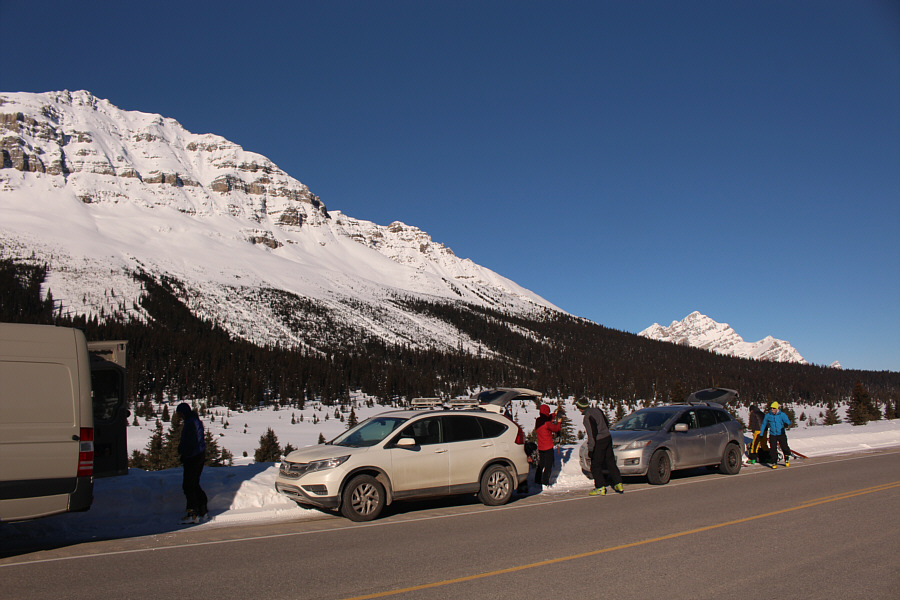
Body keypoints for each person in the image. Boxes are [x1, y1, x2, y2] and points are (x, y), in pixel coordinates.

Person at [575, 398, 623, 496]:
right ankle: (618, 483)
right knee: (610, 461)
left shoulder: (587, 418)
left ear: (581, 408)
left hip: (599, 441)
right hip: (608, 437)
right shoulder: (597, 410)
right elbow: (606, 422)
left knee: (595, 465)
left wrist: (591, 449)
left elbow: (592, 435)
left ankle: (600, 487)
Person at [176, 403, 209, 523]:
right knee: (194, 484)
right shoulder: (193, 421)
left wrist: (185, 454)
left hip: (193, 457)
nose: (179, 416)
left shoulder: (191, 423)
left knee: (188, 485)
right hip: (197, 455)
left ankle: (193, 513)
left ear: (183, 412)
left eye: (179, 413)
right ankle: (202, 511)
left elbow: (192, 442)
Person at [533, 404, 561, 487]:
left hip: (541, 447)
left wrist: (554, 414)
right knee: (548, 466)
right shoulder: (547, 423)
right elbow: (556, 429)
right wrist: (559, 422)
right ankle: (545, 482)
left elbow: (546, 418)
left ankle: (537, 480)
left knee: (541, 464)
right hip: (548, 447)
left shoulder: (538, 421)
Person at [759, 401, 792, 469]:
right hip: (773, 434)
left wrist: (786, 424)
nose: (772, 410)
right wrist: (761, 434)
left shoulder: (782, 415)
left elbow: (788, 422)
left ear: (777, 408)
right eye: (771, 408)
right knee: (773, 449)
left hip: (781, 434)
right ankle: (774, 462)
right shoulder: (768, 415)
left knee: (784, 447)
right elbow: (764, 424)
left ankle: (786, 457)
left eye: (774, 408)